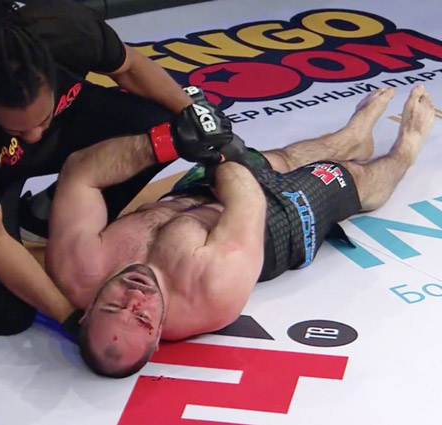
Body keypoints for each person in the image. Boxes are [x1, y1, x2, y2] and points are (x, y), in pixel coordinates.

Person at [0, 0, 237, 336]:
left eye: (40, 120)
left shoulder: (64, 29)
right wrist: (70, 317)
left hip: (53, 116)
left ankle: (42, 215)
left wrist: (197, 119)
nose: (34, 136)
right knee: (2, 311)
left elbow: (132, 68)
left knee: (166, 131)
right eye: (19, 129)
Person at [45, 85, 436, 378]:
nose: (135, 296)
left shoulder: (76, 267)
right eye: (143, 318)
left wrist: (169, 142)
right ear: (159, 334)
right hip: (264, 228)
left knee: (282, 157)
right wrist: (222, 153)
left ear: (86, 312)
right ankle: (404, 153)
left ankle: (350, 138)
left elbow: (81, 173)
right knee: (350, 179)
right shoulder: (210, 291)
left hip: (189, 199)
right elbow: (250, 202)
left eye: (114, 306)